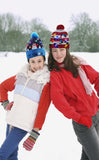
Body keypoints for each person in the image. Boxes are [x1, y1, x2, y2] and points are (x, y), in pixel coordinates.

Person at [48, 24, 99, 160]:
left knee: (88, 156)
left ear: (67, 49)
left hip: (97, 114)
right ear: (51, 52)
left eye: (61, 50)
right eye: (54, 51)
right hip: (83, 121)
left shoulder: (78, 63)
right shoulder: (55, 73)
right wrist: (78, 117)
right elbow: (58, 100)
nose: (58, 54)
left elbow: (97, 78)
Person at [0, 32, 51, 160]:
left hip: (24, 124)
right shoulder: (20, 76)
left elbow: (43, 110)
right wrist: (5, 103)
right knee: (11, 155)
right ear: (28, 62)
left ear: (44, 60)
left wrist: (35, 132)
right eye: (32, 61)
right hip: (12, 119)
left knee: (2, 154)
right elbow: (2, 87)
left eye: (39, 61)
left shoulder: (45, 83)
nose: (36, 65)